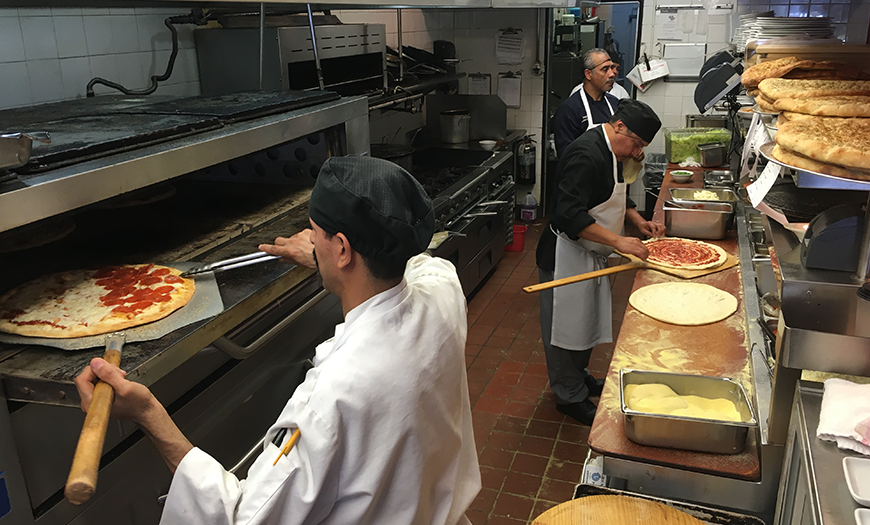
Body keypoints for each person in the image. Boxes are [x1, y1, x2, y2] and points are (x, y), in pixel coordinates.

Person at [74, 156, 481, 525]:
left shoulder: (333, 396)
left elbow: (240, 518)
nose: (309, 241)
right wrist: (328, 259)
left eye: (315, 234)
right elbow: (421, 265)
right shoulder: (443, 291)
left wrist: (148, 413)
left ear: (343, 249)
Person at [534, 100, 666, 426]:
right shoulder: (586, 154)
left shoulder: (612, 151)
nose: (636, 152)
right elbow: (568, 214)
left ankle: (578, 377)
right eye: (636, 144)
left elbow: (613, 192)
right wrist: (619, 241)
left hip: (591, 252)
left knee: (584, 320)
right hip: (565, 254)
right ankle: (568, 396)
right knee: (564, 328)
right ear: (619, 126)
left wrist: (637, 220)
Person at [552, 48, 620, 158]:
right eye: (605, 69)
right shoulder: (570, 110)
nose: (612, 74)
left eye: (612, 68)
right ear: (588, 74)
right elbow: (566, 156)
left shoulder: (615, 104)